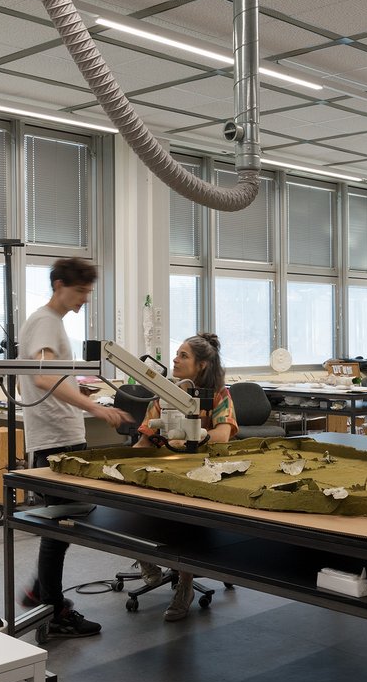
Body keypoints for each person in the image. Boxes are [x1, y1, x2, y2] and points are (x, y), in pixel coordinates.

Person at [19, 257, 131, 638]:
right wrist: (94, 407)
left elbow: (52, 376)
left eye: (88, 292)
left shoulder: (52, 324)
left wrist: (78, 391)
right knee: (60, 527)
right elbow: (44, 376)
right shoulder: (45, 321)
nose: (85, 298)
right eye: (80, 291)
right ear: (58, 285)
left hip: (60, 432)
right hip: (55, 439)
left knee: (62, 527)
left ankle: (43, 594)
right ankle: (53, 611)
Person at [133, 332, 238, 621]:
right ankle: (147, 557)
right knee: (130, 504)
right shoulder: (163, 395)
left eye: (183, 356)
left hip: (200, 470)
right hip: (164, 468)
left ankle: (186, 585)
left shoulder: (219, 395)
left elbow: (223, 434)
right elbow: (145, 438)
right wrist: (124, 463)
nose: (176, 360)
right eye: (176, 355)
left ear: (202, 365)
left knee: (186, 522)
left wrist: (193, 436)